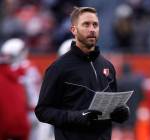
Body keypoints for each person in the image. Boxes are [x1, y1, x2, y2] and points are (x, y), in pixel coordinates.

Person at [35, 6, 130, 140]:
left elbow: (111, 108)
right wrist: (78, 116)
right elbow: (42, 111)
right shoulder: (58, 68)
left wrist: (121, 113)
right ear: (74, 30)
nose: (92, 29)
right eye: (86, 24)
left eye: (95, 25)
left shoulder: (107, 66)